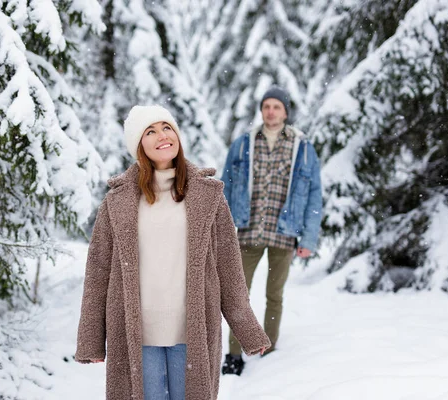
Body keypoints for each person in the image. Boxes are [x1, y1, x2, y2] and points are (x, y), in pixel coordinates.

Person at [75, 105, 270, 399]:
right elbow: (98, 273)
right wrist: (90, 339)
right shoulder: (117, 202)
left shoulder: (209, 196)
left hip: (192, 330)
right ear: (139, 145)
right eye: (150, 131)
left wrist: (248, 329)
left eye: (166, 127)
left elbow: (229, 269)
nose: (162, 136)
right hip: (137, 334)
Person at [220, 87, 323, 375]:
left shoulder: (303, 148)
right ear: (261, 110)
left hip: (284, 232)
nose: (271, 111)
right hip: (247, 230)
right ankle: (235, 353)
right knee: (238, 294)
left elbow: (314, 194)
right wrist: (222, 229)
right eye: (266, 106)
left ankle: (268, 348)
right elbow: (223, 187)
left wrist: (308, 238)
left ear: (286, 112)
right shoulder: (243, 144)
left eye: (277, 106)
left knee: (274, 294)